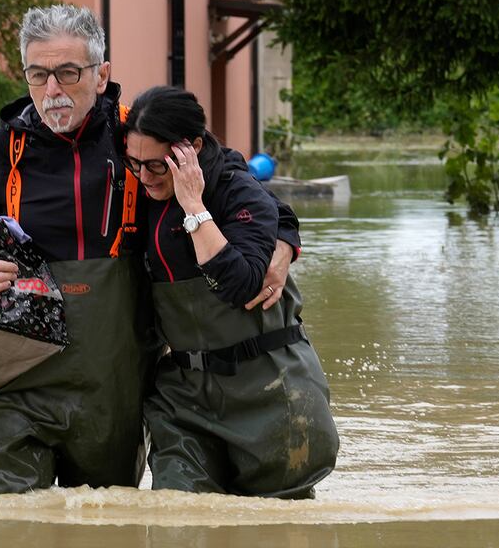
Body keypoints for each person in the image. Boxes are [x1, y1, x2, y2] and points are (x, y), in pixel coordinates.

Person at [0, 4, 300, 494]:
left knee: (105, 523)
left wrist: (285, 242)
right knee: (1, 519)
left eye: (68, 73)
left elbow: (246, 191)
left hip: (115, 390)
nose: (52, 91)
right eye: (38, 76)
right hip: (14, 383)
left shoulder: (138, 139)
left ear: (102, 75)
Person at [122, 86, 339, 499]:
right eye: (135, 163)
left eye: (156, 166)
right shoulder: (142, 188)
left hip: (270, 391)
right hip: (185, 396)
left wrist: (193, 207)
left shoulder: (237, 191)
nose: (143, 178)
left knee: (277, 525)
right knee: (177, 514)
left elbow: (240, 287)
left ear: (193, 149)